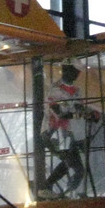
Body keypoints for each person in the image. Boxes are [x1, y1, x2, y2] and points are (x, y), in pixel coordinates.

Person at [38, 64, 94, 198]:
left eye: (78, 72)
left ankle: (53, 189)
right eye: (74, 71)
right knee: (75, 166)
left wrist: (88, 113)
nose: (76, 75)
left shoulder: (76, 90)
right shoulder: (55, 90)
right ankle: (54, 190)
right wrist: (79, 114)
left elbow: (79, 108)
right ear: (65, 71)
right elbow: (60, 114)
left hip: (67, 134)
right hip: (54, 133)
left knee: (74, 166)